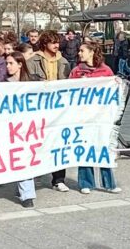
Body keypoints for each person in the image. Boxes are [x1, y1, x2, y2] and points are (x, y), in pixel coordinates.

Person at [69, 40, 121, 195]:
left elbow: (113, 91)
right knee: (85, 148)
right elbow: (69, 90)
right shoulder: (76, 71)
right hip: (83, 117)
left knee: (102, 148)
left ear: (91, 52)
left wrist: (117, 83)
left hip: (100, 117)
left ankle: (109, 183)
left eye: (82, 51)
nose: (79, 53)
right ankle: (86, 183)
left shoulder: (105, 70)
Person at [26, 31, 71, 192]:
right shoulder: (33, 60)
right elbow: (27, 81)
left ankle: (58, 179)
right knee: (38, 142)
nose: (56, 45)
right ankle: (34, 173)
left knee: (59, 143)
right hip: (40, 107)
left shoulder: (64, 61)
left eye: (57, 42)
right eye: (52, 42)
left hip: (58, 109)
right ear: (45, 43)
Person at [4, 51, 37, 208]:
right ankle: (24, 191)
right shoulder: (3, 84)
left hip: (29, 128)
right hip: (11, 128)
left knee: (25, 159)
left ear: (20, 64)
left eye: (11, 63)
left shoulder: (32, 83)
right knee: (18, 159)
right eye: (6, 63)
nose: (7, 66)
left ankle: (26, 193)